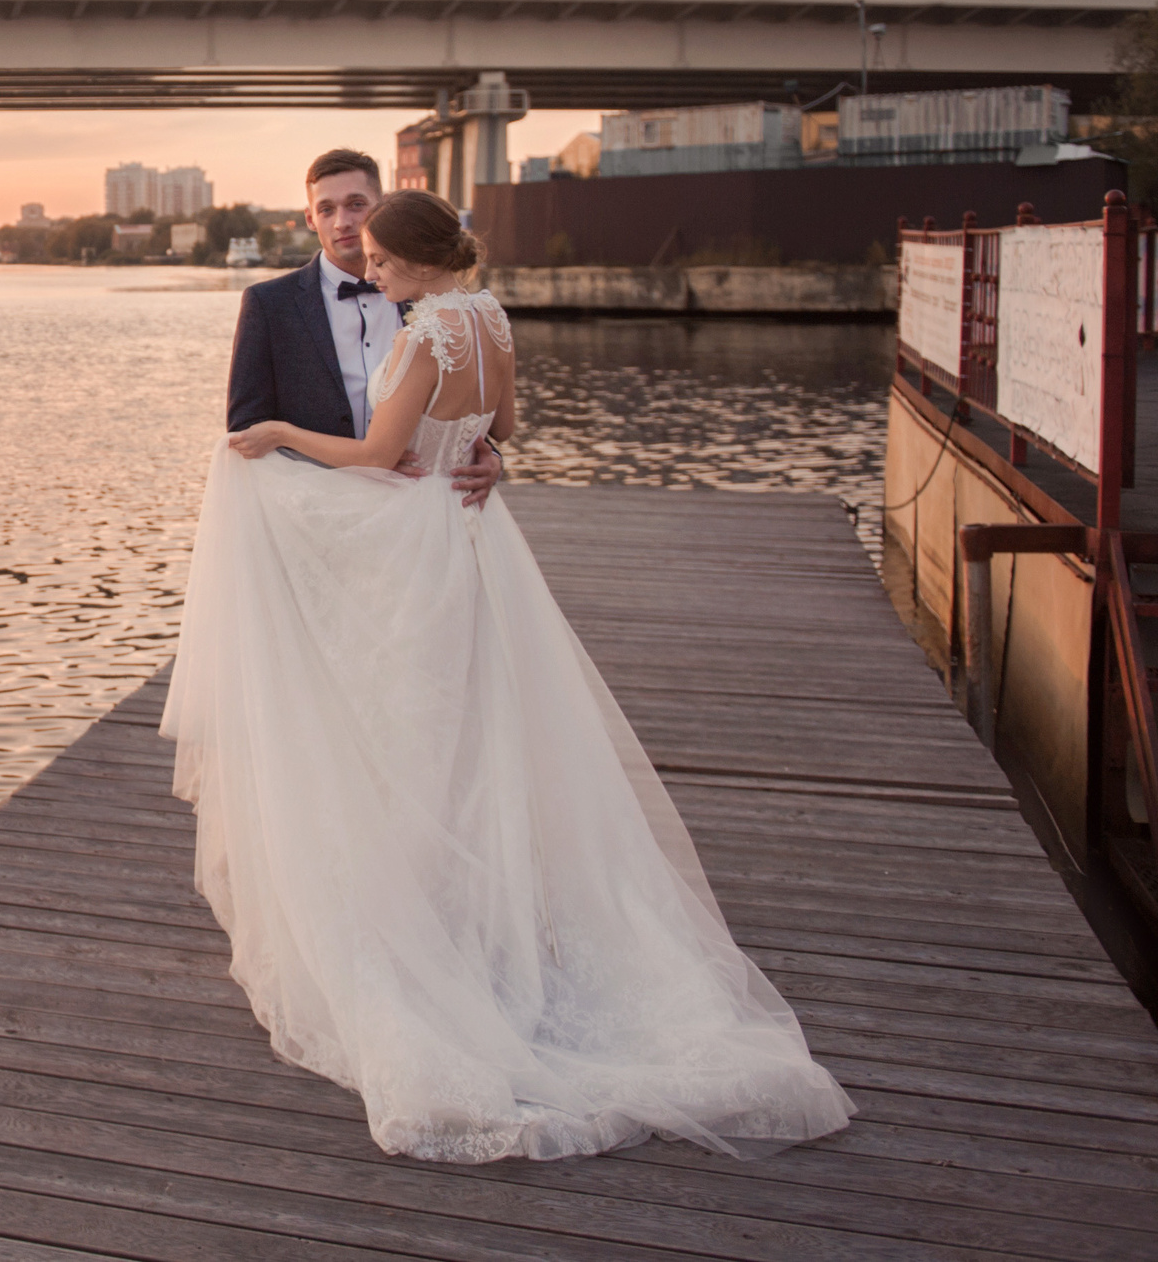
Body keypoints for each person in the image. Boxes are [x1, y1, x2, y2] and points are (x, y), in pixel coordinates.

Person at [163, 188, 854, 1163]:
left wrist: (275, 438)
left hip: (420, 552)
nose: (371, 268)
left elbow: (375, 452)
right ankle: (474, 913)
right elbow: (505, 425)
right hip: (477, 539)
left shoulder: (428, 333)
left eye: (380, 256)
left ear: (407, 258)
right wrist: (475, 447)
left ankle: (436, 926)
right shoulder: (487, 318)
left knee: (413, 730)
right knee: (478, 725)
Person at [227, 148, 500, 506]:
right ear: (310, 218)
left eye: (356, 204)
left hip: (418, 508)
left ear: (383, 207)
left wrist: (489, 456)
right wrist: (362, 467)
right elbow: (246, 432)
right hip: (315, 514)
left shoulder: (431, 296)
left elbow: (464, 399)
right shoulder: (269, 304)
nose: (342, 221)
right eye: (326, 209)